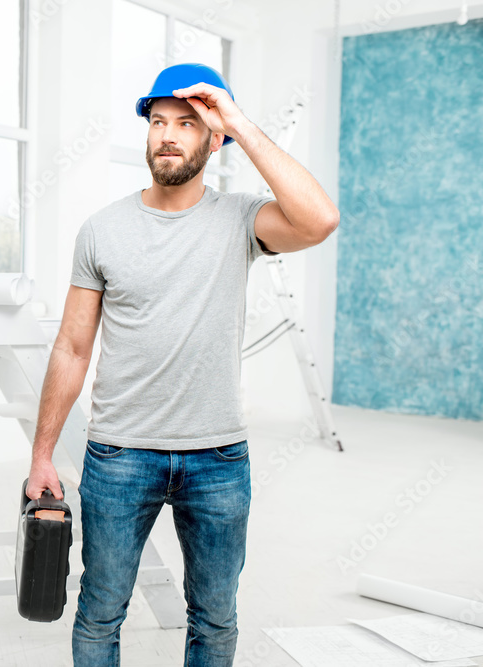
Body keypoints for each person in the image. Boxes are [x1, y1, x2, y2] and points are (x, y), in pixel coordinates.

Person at [24, 63, 339, 667]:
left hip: (218, 458)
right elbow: (71, 347)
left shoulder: (242, 220)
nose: (168, 135)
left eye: (188, 124)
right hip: (119, 455)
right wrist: (42, 454)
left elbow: (319, 219)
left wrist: (241, 124)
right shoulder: (102, 230)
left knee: (215, 620)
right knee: (100, 612)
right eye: (159, 121)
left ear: (212, 137)